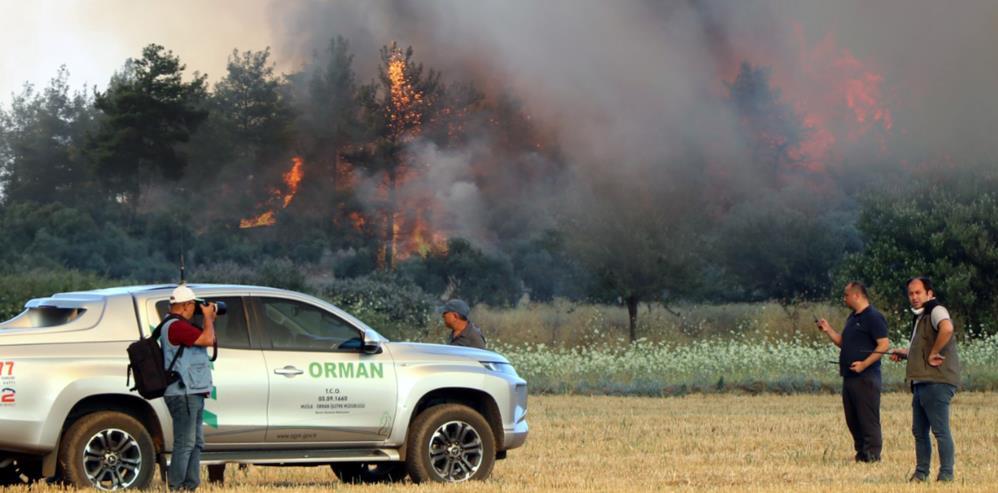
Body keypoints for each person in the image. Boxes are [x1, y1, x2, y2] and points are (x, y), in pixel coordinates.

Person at [890, 276, 960, 482]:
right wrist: (905, 353)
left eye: (918, 292)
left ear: (929, 293)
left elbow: (947, 328)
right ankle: (921, 474)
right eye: (910, 293)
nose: (914, 297)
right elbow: (920, 347)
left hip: (936, 381)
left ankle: (946, 475)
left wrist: (934, 352)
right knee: (919, 431)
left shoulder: (936, 310)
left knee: (940, 431)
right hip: (922, 381)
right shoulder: (921, 317)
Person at [816, 281, 890, 463]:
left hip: (866, 377)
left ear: (857, 295)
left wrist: (864, 364)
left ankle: (872, 455)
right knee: (853, 418)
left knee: (867, 418)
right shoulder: (853, 318)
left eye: (846, 295)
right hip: (849, 376)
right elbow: (844, 342)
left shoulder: (873, 317)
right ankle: (861, 454)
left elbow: (884, 345)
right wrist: (828, 330)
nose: (844, 298)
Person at [161, 284, 216, 491]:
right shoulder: (176, 326)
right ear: (185, 306)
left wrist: (208, 321)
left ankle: (190, 485)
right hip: (183, 391)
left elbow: (208, 339)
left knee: (196, 442)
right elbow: (208, 339)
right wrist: (208, 318)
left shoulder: (177, 325)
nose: (195, 310)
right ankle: (177, 486)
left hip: (192, 390)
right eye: (193, 306)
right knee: (185, 442)